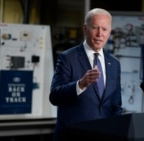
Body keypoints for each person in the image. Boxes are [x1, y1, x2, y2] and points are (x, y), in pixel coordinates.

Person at [49, 8, 122, 141]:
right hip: (73, 136)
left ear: (109, 32)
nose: (100, 34)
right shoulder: (68, 58)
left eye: (104, 29)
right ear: (85, 29)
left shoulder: (114, 64)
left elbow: (115, 106)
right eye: (95, 28)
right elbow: (54, 96)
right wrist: (80, 84)